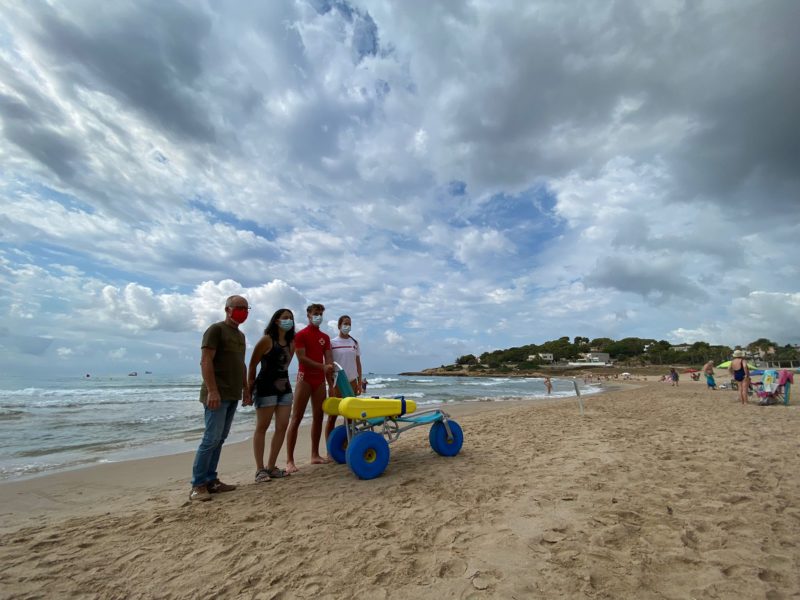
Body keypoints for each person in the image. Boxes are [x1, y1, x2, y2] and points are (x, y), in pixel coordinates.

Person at [190, 295, 252, 502]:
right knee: (210, 439)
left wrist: (246, 388)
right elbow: (205, 360)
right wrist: (212, 390)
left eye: (246, 308)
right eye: (239, 308)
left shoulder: (241, 336)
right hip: (217, 394)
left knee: (220, 439)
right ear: (228, 309)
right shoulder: (215, 330)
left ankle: (211, 480)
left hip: (232, 394)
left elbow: (241, 364)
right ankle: (198, 485)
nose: (243, 312)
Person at [248, 308, 295, 483]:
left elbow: (286, 365)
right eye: (285, 318)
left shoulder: (292, 343)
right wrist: (248, 389)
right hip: (265, 388)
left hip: (285, 389)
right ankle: (260, 470)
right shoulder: (266, 341)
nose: (288, 320)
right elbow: (252, 365)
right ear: (276, 321)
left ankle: (271, 466)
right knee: (262, 426)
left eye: (290, 318)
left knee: (282, 426)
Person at [285, 303, 334, 473]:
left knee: (319, 417)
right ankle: (290, 460)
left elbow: (328, 360)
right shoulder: (301, 335)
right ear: (308, 315)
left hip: (320, 380)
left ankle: (315, 454)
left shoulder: (325, 337)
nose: (318, 316)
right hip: (304, 378)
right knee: (296, 417)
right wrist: (322, 367)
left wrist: (331, 383)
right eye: (315, 313)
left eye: (320, 313)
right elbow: (301, 358)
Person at [325, 315, 363, 454]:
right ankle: (330, 450)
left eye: (349, 323)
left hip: (352, 382)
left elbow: (358, 363)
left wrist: (359, 383)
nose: (347, 326)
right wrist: (329, 385)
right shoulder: (332, 342)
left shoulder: (355, 342)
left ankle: (349, 447)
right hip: (337, 382)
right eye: (345, 323)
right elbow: (328, 364)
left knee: (350, 416)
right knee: (332, 416)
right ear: (339, 325)